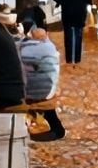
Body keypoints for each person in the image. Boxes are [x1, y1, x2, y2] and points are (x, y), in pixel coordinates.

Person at [18, 12, 66, 141]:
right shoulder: (51, 48)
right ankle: (56, 128)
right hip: (49, 89)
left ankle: (25, 127)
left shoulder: (26, 48)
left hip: (34, 92)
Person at [50, 0, 93, 64]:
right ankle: (77, 59)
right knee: (78, 35)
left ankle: (69, 59)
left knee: (68, 35)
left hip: (67, 12)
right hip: (80, 13)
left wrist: (60, 2)